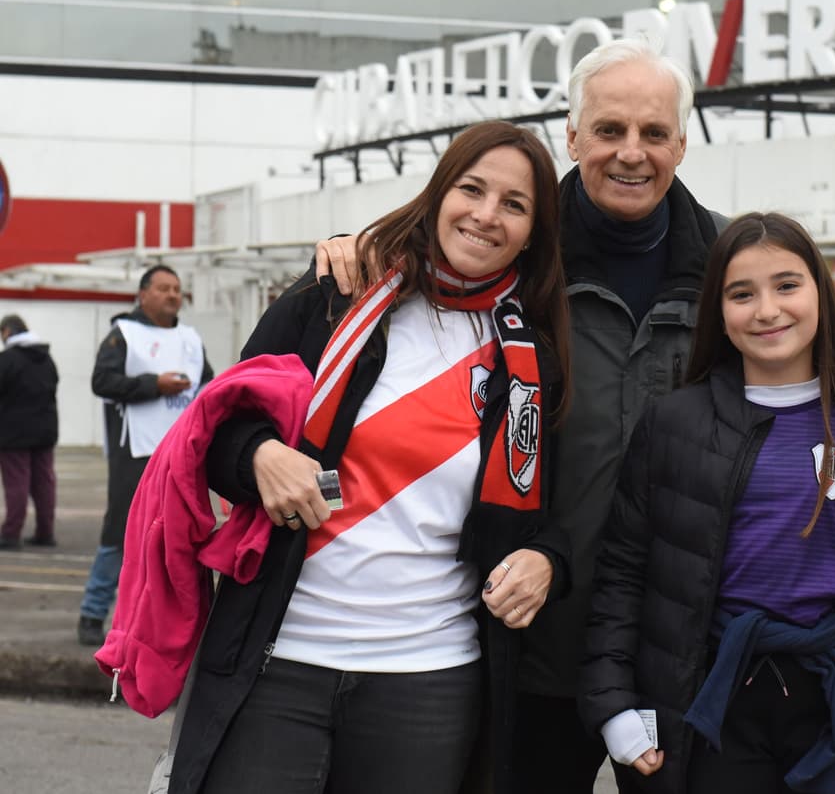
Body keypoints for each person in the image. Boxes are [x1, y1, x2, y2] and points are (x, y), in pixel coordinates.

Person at [317, 38, 725, 794]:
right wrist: (355, 247)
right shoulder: (514, 251)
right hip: (529, 640)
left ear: (682, 143)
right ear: (571, 135)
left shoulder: (732, 275)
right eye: (608, 130)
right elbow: (425, 253)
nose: (630, 153)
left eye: (653, 133)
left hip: (680, 644)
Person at [168, 121, 573, 794]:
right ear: (439, 191)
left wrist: (547, 560)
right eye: (471, 189)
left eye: (514, 204)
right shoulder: (337, 291)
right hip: (280, 658)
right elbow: (216, 430)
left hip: (429, 677)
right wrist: (261, 455)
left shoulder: (531, 362)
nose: (485, 214)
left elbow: (536, 522)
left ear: (534, 232)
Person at [580, 213, 835, 794]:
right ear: (718, 313)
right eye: (741, 294)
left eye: (786, 285)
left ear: (820, 294)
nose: (767, 310)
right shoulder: (673, 425)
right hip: (716, 699)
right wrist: (611, 702)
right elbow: (624, 573)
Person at [77, 266, 213, 646]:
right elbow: (101, 382)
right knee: (119, 532)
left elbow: (208, 385)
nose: (173, 295)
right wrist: (153, 385)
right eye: (164, 288)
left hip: (180, 452)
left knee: (176, 534)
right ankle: (93, 612)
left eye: (177, 289)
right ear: (143, 295)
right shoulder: (123, 335)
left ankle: (164, 622)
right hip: (134, 450)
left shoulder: (190, 338)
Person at [0, 315, 59, 549]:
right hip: (45, 430)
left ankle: (10, 533)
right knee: (44, 483)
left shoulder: (7, 360)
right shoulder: (46, 358)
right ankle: (45, 532)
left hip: (13, 433)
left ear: (7, 331)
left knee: (17, 483)